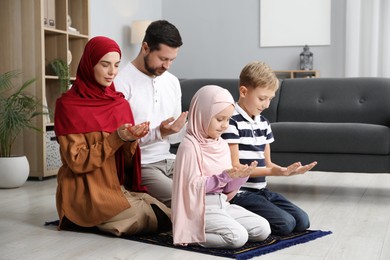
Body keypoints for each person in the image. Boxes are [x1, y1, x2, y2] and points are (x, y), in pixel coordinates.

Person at [54, 36, 171, 237]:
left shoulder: (119, 104)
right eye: (105, 64)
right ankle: (83, 218)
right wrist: (116, 138)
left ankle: (104, 218)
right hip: (85, 190)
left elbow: (124, 163)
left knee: (167, 214)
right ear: (89, 64)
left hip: (116, 186)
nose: (112, 72)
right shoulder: (68, 106)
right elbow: (77, 162)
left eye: (116, 65)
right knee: (149, 218)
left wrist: (130, 139)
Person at [221, 61, 318, 236]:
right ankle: (236, 215)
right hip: (240, 193)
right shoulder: (230, 121)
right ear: (243, 92)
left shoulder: (264, 123)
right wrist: (276, 172)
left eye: (270, 99)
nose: (266, 105)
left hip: (262, 191)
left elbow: (268, 164)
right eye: (262, 98)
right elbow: (236, 168)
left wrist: (285, 171)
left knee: (303, 221)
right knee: (286, 224)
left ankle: (257, 215)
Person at [172, 85, 271, 248]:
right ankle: (189, 234)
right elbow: (192, 188)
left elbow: (226, 189)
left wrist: (240, 176)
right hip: (199, 208)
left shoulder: (221, 145)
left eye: (228, 119)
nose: (225, 125)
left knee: (263, 229)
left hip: (222, 204)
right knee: (238, 237)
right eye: (219, 119)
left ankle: (215, 229)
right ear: (202, 114)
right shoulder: (189, 146)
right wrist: (224, 177)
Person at [115, 20, 187, 208]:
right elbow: (120, 145)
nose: (168, 66)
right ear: (145, 48)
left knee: (209, 188)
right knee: (184, 200)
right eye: (163, 59)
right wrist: (160, 132)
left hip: (169, 159)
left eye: (172, 60)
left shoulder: (172, 82)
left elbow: (173, 140)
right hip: (141, 165)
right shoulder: (121, 83)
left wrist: (188, 127)